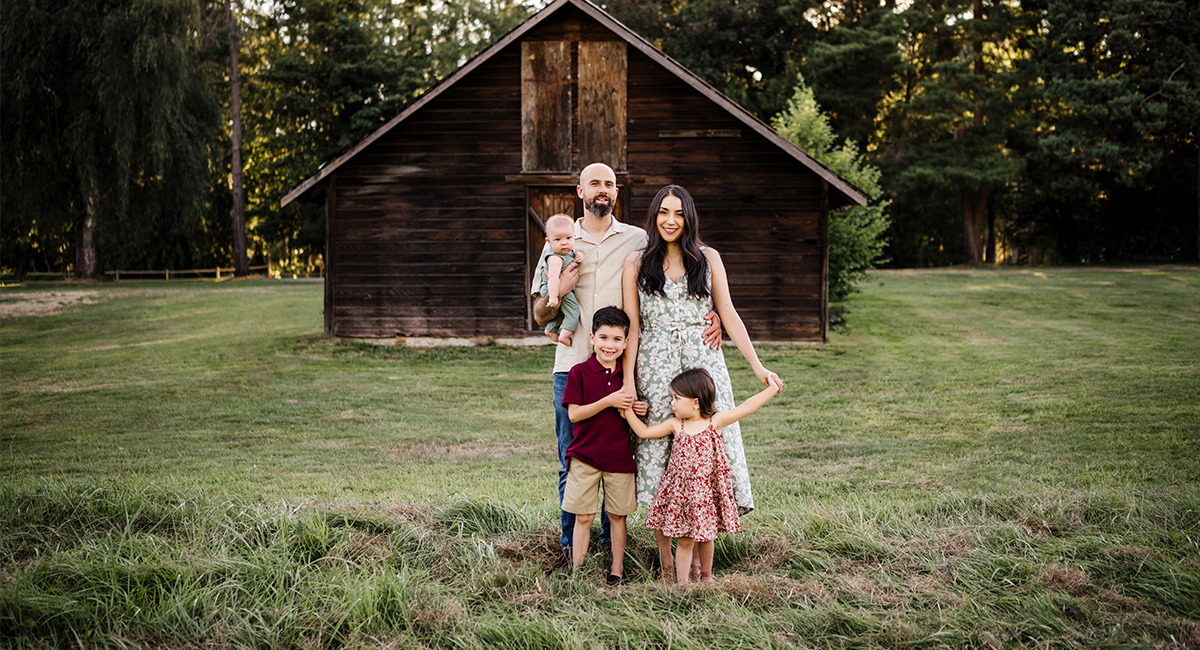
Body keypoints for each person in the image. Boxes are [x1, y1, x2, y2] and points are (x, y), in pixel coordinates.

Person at [532, 164, 722, 567]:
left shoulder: (636, 240)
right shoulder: (559, 242)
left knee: (618, 455)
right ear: (580, 189)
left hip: (620, 370)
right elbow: (537, 314)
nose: (601, 190)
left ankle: (608, 543)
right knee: (573, 456)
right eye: (594, 183)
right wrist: (556, 295)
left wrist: (712, 312)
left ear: (616, 193)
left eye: (609, 185)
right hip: (572, 366)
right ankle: (571, 546)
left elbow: (665, 290)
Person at [620, 184, 783, 580]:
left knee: (706, 452)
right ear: (654, 217)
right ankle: (665, 561)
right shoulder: (636, 262)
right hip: (656, 368)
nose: (670, 221)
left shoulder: (708, 259)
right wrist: (629, 382)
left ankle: (697, 556)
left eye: (677, 213)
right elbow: (633, 327)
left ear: (689, 217)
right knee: (661, 459)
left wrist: (757, 367)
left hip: (703, 364)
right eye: (662, 213)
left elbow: (727, 312)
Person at [623, 368, 782, 583]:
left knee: (707, 538)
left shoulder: (715, 422)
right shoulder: (675, 425)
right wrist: (627, 412)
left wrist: (772, 388)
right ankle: (682, 583)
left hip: (705, 495)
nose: (672, 403)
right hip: (681, 494)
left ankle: (707, 576)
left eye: (677, 398)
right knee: (685, 540)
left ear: (695, 402)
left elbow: (747, 407)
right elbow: (644, 432)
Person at [561, 306, 638, 584]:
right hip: (585, 456)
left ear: (626, 343)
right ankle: (577, 571)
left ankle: (616, 570)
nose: (610, 345)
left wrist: (635, 406)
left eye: (617, 339)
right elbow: (574, 414)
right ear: (592, 338)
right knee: (584, 516)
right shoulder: (579, 372)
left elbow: (633, 413)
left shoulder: (628, 377)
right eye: (604, 338)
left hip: (619, 458)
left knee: (617, 516)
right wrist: (609, 401)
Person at [535, 214, 583, 346]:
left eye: (568, 238)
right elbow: (553, 278)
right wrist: (555, 296)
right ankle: (565, 336)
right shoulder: (555, 258)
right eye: (558, 239)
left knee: (563, 312)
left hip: (559, 291)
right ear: (548, 242)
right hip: (555, 289)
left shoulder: (567, 252)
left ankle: (551, 330)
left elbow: (573, 256)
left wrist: (579, 256)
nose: (564, 242)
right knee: (573, 311)